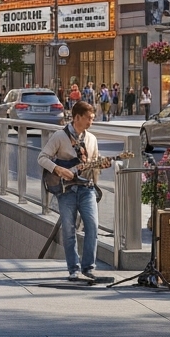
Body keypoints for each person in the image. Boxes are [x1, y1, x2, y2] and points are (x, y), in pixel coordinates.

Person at [37, 101, 102, 282]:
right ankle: (74, 269)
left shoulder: (92, 139)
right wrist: (58, 169)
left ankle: (88, 268)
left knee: (93, 225)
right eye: (88, 118)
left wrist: (100, 166)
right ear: (77, 117)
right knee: (68, 229)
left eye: (92, 118)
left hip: (86, 188)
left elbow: (93, 163)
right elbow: (42, 157)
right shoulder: (59, 136)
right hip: (66, 190)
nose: (91, 122)